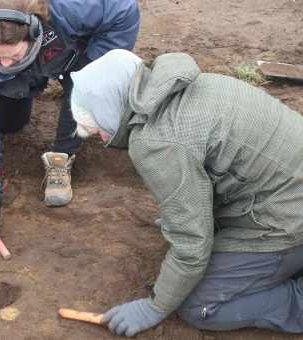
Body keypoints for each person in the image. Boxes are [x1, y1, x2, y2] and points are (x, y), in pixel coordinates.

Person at [68, 49, 303, 336]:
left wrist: (154, 307)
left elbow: (192, 245)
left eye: (97, 127)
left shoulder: (156, 142)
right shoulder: (190, 84)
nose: (101, 137)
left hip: (289, 218)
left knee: (199, 306)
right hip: (285, 189)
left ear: (110, 105)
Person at [0, 0, 140, 241]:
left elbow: (122, 8)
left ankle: (62, 157)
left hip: (75, 41)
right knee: (9, 123)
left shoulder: (73, 10)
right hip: (34, 52)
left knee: (87, 89)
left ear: (33, 33)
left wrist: (97, 70)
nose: (6, 63)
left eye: (13, 55)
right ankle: (28, 82)